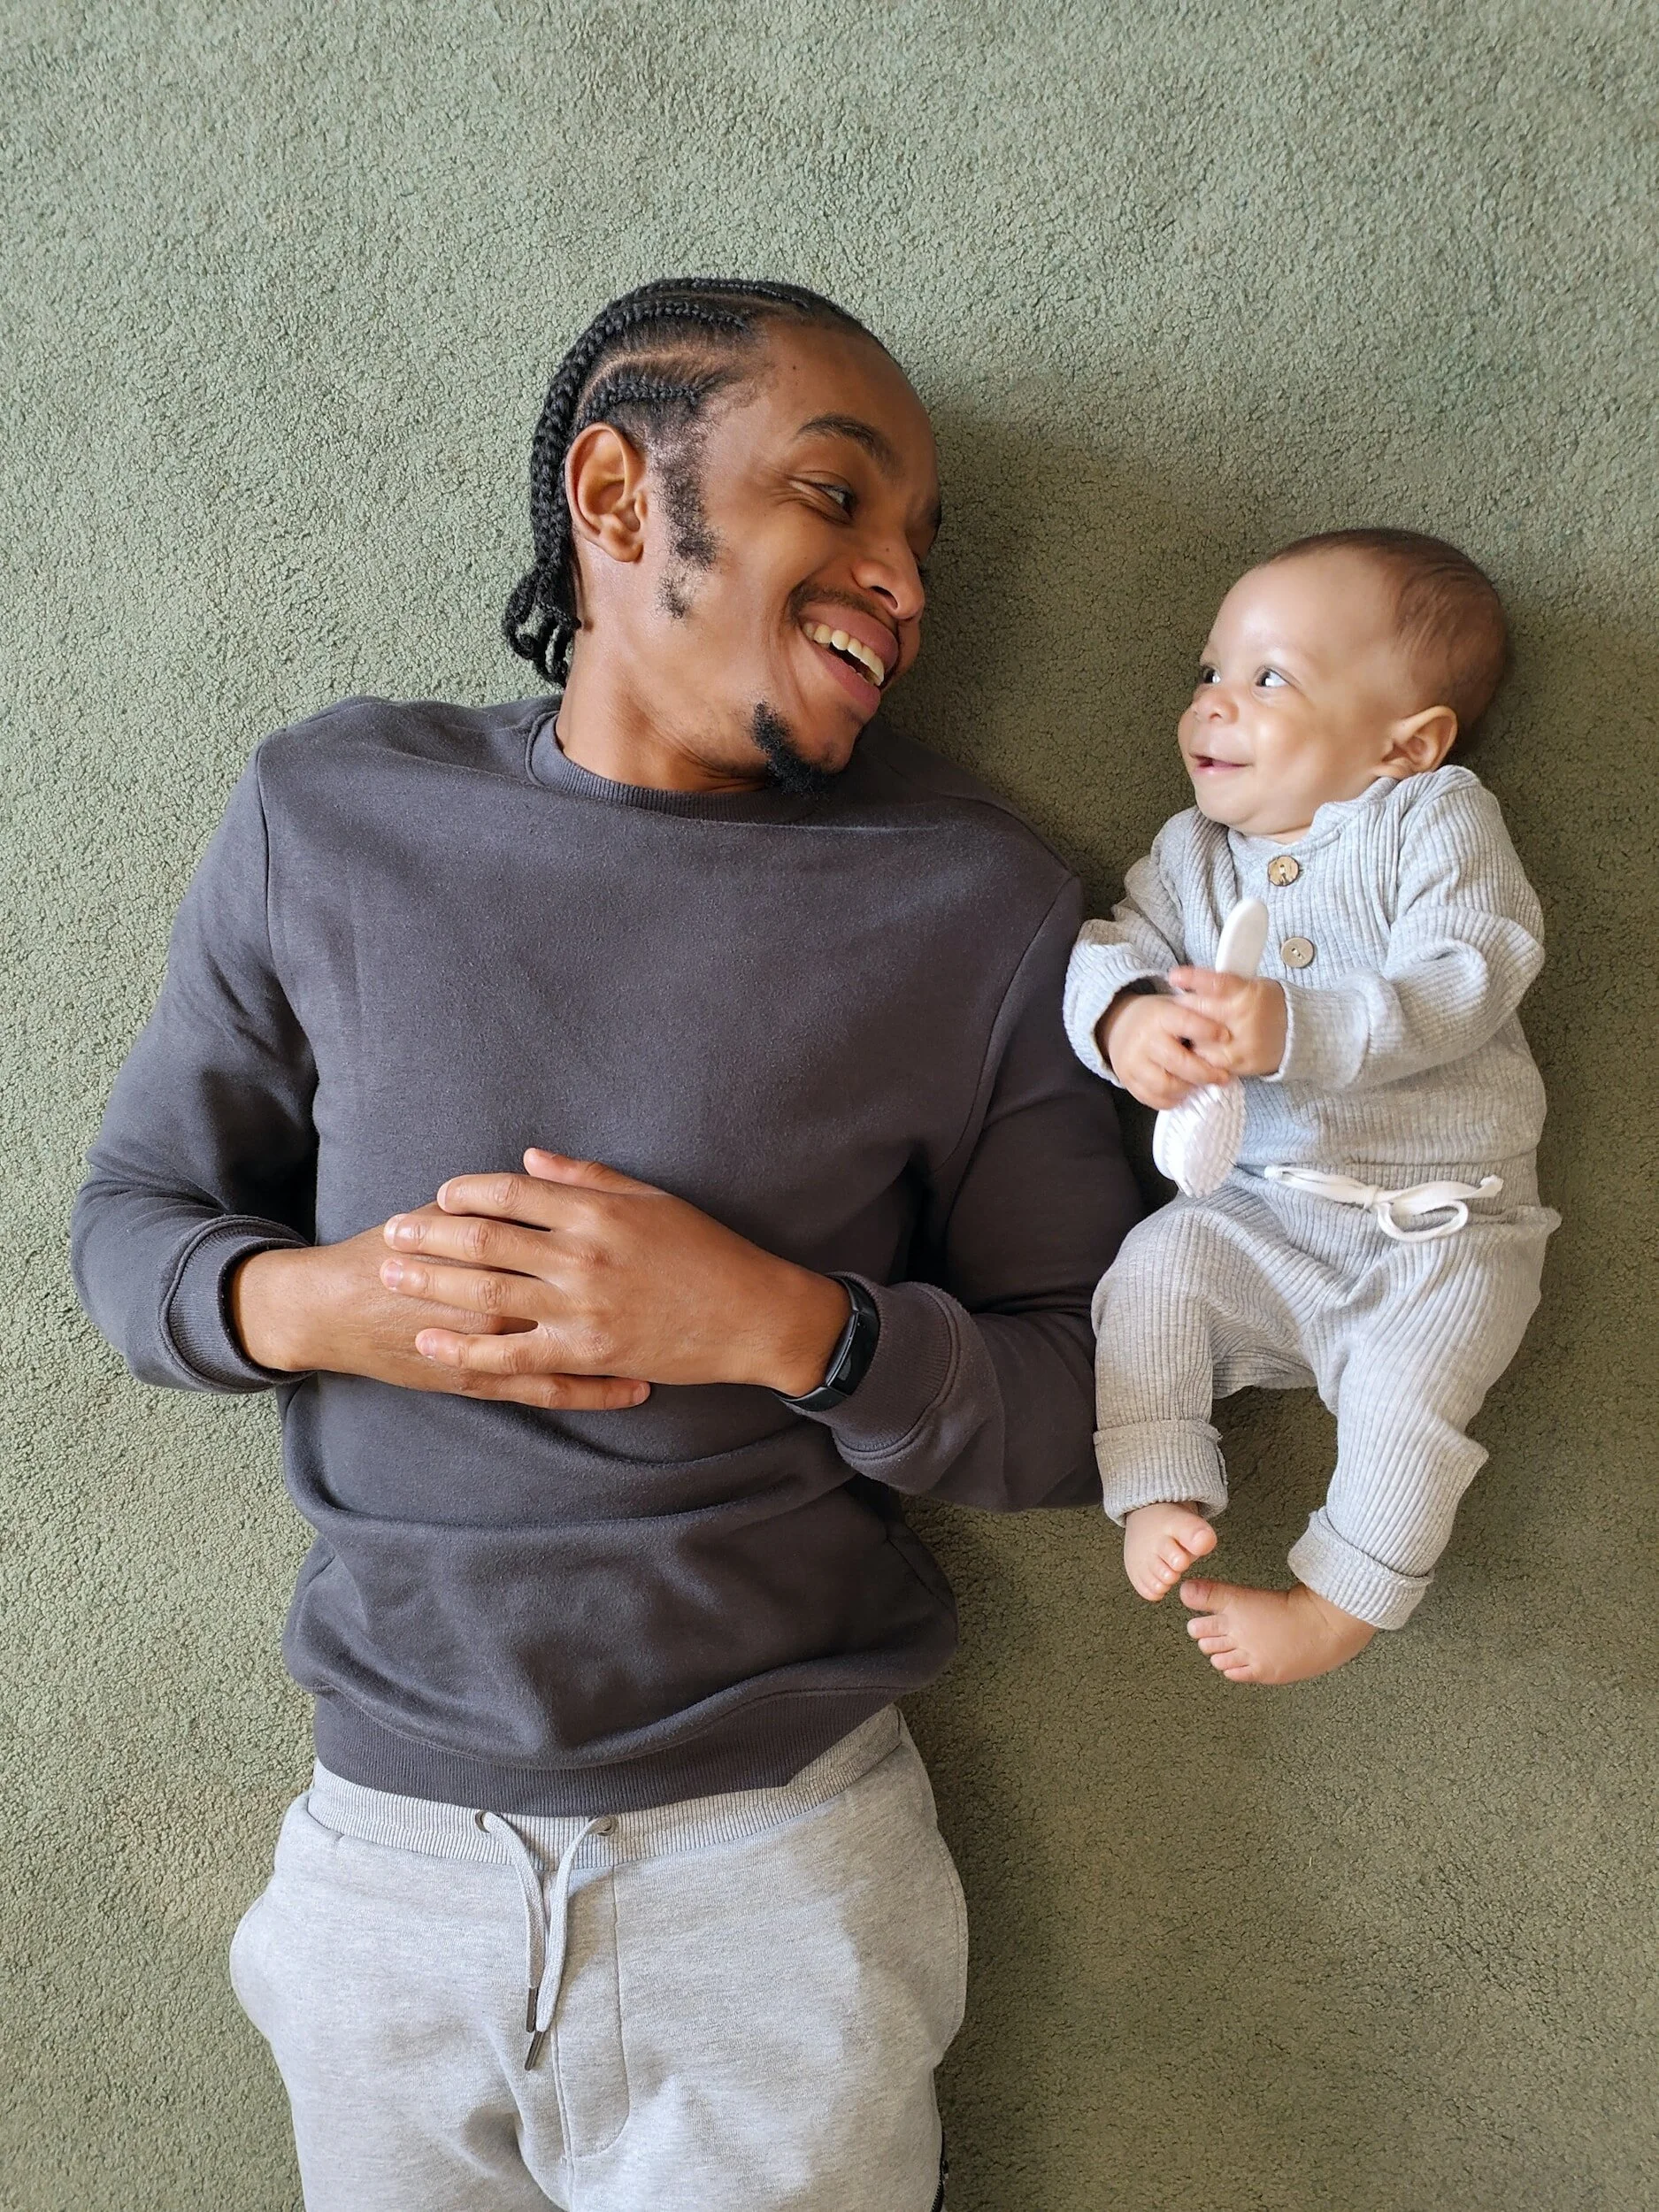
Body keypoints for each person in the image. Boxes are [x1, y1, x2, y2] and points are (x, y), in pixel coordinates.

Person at [71, 277, 1140, 2212]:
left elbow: (1092, 1406)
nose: (903, 583)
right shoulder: (331, 812)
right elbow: (131, 1220)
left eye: (923, 544)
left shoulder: (981, 909)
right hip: (380, 1866)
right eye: (837, 497)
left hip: (773, 1872)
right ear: (619, 495)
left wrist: (788, 1327)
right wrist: (326, 1303)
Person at [1064, 529, 1557, 1686]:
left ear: (1406, 744)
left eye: (1268, 678)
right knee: (1151, 1275)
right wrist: (1129, 1020)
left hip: (1443, 1230)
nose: (1213, 703)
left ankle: (1338, 1600)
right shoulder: (1193, 856)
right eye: (1209, 672)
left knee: (1407, 1402)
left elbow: (1473, 968)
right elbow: (1109, 947)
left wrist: (1295, 1026)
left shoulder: (1430, 818)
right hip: (1259, 1213)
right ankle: (1157, 1483)